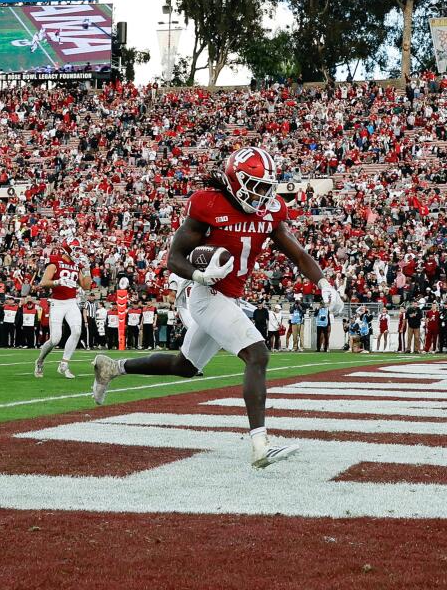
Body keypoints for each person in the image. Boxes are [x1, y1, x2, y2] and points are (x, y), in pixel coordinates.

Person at [91, 147, 344, 468]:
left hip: (229, 298)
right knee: (258, 354)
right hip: (206, 294)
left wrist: (323, 283)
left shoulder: (271, 211)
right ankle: (260, 446)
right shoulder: (208, 204)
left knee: (185, 366)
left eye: (268, 186)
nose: (265, 194)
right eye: (257, 185)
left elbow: (298, 255)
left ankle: (113, 368)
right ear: (236, 181)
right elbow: (174, 258)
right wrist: (198, 274)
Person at [35, 236, 92, 379]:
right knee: (55, 339)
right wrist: (58, 281)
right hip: (58, 303)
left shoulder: (76, 265)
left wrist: (87, 269)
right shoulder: (55, 261)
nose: (79, 252)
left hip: (72, 302)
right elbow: (43, 282)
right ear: (68, 249)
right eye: (76, 249)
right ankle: (40, 360)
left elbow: (86, 286)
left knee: (77, 331)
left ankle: (64, 364)